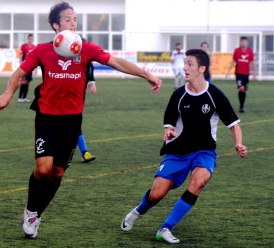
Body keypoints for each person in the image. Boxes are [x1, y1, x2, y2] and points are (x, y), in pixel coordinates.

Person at [0, 1, 161, 239]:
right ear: (55, 25)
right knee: (43, 170)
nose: (73, 23)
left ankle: (36, 214)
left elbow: (116, 62)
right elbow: (20, 73)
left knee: (58, 173)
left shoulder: (86, 48)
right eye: (68, 19)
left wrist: (147, 74)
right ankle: (31, 209)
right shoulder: (42, 50)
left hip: (71, 120)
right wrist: (8, 93)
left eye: (74, 19)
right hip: (47, 116)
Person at [121, 49, 247, 244]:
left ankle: (166, 228)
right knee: (157, 194)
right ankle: (139, 210)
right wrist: (169, 131)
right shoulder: (179, 95)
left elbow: (234, 124)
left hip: (204, 151)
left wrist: (238, 143)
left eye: (189, 64)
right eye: (185, 64)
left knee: (198, 183)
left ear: (202, 69)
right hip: (177, 152)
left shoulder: (214, 94)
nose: (185, 68)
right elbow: (169, 122)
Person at [226, 36, 257, 113]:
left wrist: (255, 74)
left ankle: (241, 105)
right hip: (238, 73)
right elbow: (233, 61)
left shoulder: (250, 51)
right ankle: (241, 107)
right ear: (240, 42)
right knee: (241, 88)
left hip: (246, 74)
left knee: (243, 90)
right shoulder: (236, 51)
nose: (244, 43)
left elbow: (253, 63)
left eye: (245, 41)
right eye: (242, 41)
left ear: (247, 42)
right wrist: (229, 71)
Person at [79, 61, 96, 163]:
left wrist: (92, 83)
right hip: (60, 98)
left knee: (76, 126)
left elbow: (90, 77)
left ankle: (85, 152)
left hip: (78, 100)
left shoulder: (89, 63)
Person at [17, 34, 36, 103]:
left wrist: (35, 69)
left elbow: (35, 58)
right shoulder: (24, 46)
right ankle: (20, 97)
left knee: (27, 82)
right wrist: (21, 64)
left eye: (32, 38)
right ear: (28, 39)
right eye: (30, 38)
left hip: (31, 67)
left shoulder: (34, 47)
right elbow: (21, 55)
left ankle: (24, 97)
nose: (31, 39)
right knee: (23, 82)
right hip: (25, 66)